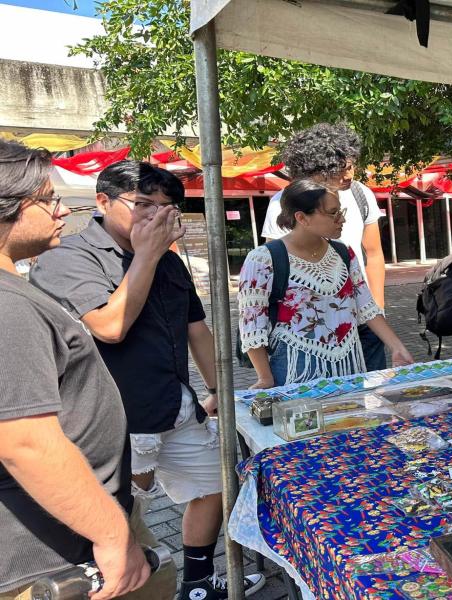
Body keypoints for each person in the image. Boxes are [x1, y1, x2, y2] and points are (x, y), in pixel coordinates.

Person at [30, 161, 264, 600]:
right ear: (103, 202)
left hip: (174, 403)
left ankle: (196, 583)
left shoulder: (170, 264)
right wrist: (149, 255)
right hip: (115, 419)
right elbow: (110, 326)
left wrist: (220, 393)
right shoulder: (68, 258)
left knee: (215, 483)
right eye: (142, 204)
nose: (157, 216)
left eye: (166, 206)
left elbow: (197, 330)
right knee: (120, 518)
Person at [0, 141, 173, 600]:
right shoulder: (7, 305)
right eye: (48, 199)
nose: (61, 211)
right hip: (53, 555)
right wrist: (112, 536)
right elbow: (24, 442)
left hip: (69, 529)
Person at [239, 179, 413, 387]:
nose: (341, 219)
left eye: (341, 211)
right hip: (295, 367)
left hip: (349, 363)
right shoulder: (263, 259)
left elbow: (366, 306)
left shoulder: (343, 252)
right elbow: (252, 324)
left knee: (350, 417)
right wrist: (265, 377)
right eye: (333, 213)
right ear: (302, 218)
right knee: (305, 420)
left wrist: (396, 346)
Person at [260, 123, 389, 370]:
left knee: (372, 393)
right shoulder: (283, 204)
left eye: (351, 166)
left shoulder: (362, 194)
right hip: (311, 328)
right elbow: (273, 269)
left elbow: (373, 254)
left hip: (363, 317)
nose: (349, 175)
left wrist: (377, 309)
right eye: (340, 170)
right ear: (315, 171)